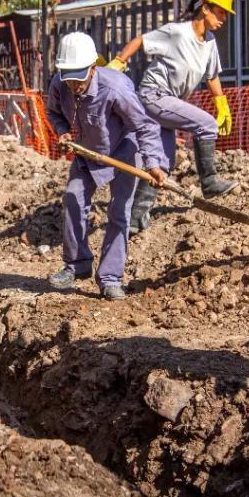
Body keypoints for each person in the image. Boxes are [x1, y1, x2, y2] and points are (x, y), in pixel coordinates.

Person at [106, 0, 238, 235]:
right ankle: (209, 182)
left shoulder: (210, 43)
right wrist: (119, 62)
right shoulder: (177, 32)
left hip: (168, 102)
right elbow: (141, 41)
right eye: (220, 11)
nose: (223, 18)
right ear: (205, 7)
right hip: (153, 95)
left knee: (163, 161)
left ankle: (135, 217)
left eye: (225, 13)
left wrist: (222, 103)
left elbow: (212, 76)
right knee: (205, 124)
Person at [46, 32, 168, 301]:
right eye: (68, 76)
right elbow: (53, 112)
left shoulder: (115, 88)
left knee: (119, 212)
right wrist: (63, 131)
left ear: (93, 67)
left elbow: (145, 126)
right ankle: (77, 265)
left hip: (124, 150)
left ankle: (111, 278)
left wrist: (153, 163)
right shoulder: (59, 83)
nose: (74, 84)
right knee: (72, 198)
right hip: (86, 151)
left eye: (79, 76)